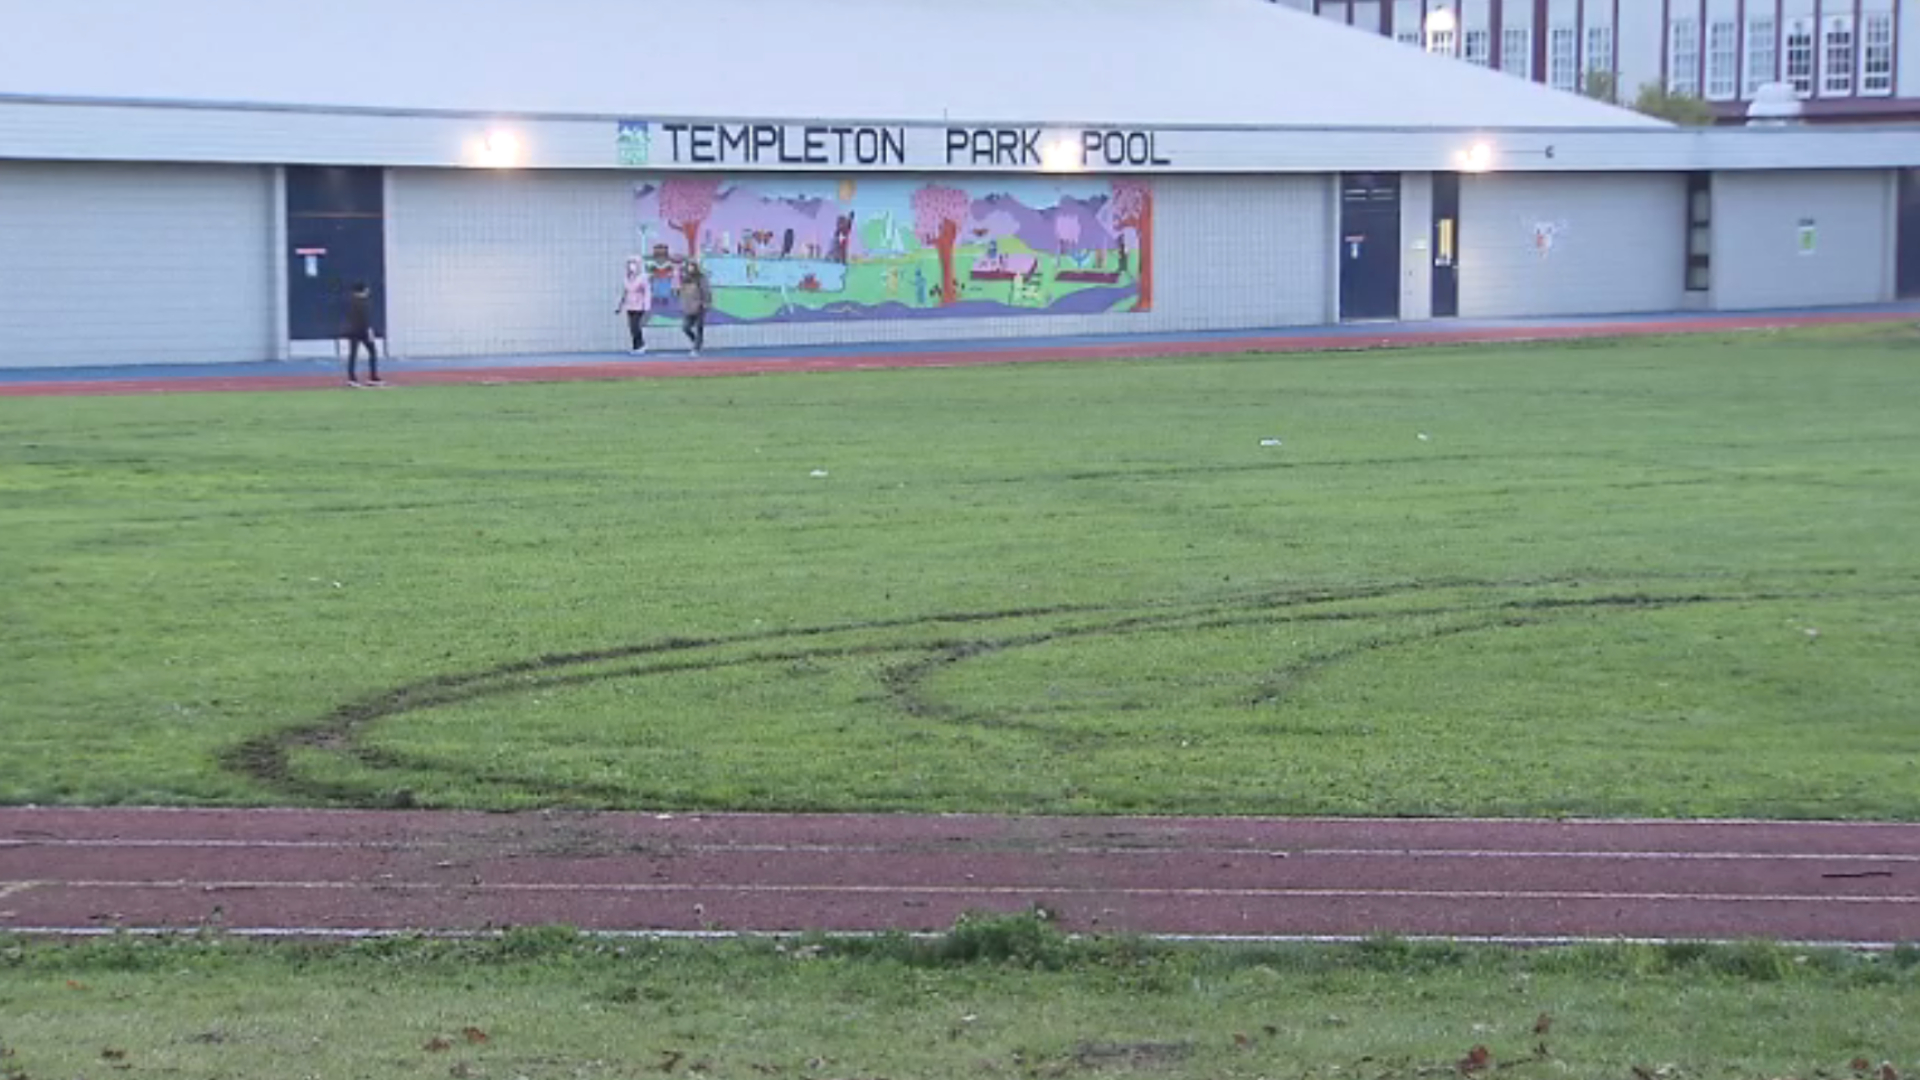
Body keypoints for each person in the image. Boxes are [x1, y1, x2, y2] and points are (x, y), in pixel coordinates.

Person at [342, 282, 383, 387]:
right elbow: (365, 319)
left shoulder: (349, 302)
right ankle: (373, 377)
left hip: (352, 331)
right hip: (363, 331)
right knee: (373, 352)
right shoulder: (364, 303)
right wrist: (369, 331)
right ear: (363, 290)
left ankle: (352, 378)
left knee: (353, 355)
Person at [678, 261, 713, 356]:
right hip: (688, 307)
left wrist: (706, 303)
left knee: (699, 327)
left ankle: (696, 347)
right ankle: (696, 341)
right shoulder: (685, 279)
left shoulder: (701, 278)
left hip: (700, 306)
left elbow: (706, 291)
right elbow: (682, 293)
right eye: (688, 266)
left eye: (692, 266)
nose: (690, 268)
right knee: (685, 327)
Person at [616, 257, 650, 355]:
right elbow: (624, 292)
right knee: (631, 327)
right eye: (630, 264)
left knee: (636, 326)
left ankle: (641, 345)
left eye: (634, 263)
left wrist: (647, 306)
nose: (632, 266)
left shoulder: (643, 277)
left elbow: (647, 292)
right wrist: (619, 306)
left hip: (639, 305)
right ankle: (635, 346)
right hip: (630, 305)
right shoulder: (627, 278)